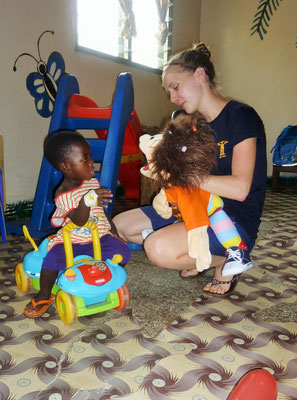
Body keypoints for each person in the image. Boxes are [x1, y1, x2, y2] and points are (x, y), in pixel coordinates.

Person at [112, 42, 267, 296]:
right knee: (122, 225)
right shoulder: (193, 125)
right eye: (168, 92)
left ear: (200, 75)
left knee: (157, 248)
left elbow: (240, 189)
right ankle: (197, 251)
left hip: (231, 220)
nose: (173, 98)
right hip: (192, 209)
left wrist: (185, 176)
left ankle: (229, 257)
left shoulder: (241, 117)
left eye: (175, 87)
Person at [24, 130, 131, 318]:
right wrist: (88, 200)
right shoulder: (62, 194)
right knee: (51, 261)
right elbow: (79, 220)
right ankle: (44, 294)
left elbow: (102, 212)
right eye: (85, 159)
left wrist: (113, 232)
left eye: (90, 157)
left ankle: (106, 278)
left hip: (99, 237)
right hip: (73, 241)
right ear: (66, 166)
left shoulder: (92, 183)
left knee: (123, 252)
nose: (91, 163)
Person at [139, 112, 253, 277]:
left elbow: (196, 222)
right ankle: (181, 247)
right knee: (128, 226)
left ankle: (235, 253)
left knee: (217, 220)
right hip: (185, 209)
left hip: (209, 207)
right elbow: (165, 200)